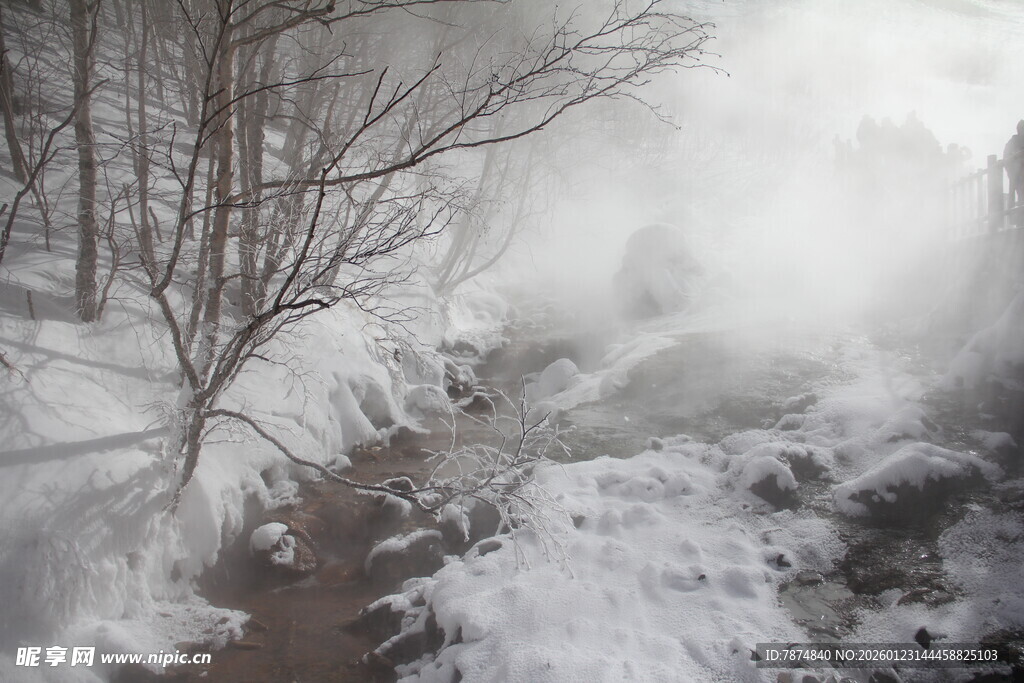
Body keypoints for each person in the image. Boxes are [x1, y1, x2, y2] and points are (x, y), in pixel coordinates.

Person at [1003, 120, 1024, 213]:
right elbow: (1006, 160)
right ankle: (1019, 221)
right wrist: (1013, 173)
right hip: (1018, 177)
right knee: (1021, 196)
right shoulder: (1012, 143)